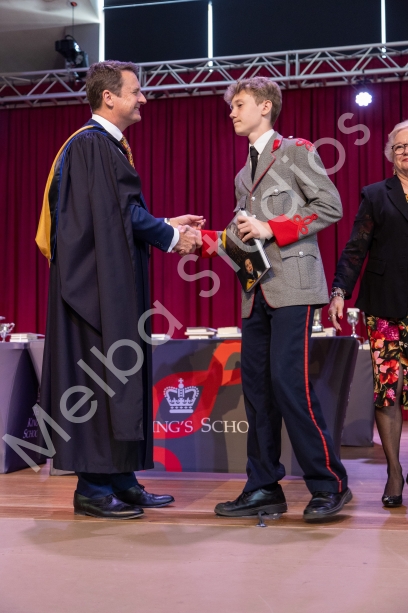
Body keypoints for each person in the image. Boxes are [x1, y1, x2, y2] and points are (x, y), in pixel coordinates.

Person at [35, 60, 202, 520]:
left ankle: (122, 480)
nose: (143, 98)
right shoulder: (91, 145)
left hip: (110, 286)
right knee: (99, 380)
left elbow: (116, 214)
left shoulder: (106, 147)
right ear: (108, 97)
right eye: (135, 91)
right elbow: (116, 218)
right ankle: (92, 488)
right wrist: (170, 236)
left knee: (118, 380)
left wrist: (163, 223)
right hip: (93, 294)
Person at [199, 76, 352, 521]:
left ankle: (328, 483)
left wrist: (272, 227)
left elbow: (330, 206)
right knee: (257, 390)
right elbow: (243, 239)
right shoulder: (242, 175)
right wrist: (200, 241)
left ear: (265, 106)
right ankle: (263, 486)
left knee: (289, 382)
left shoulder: (296, 151)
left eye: (239, 104)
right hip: (256, 293)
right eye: (232, 106)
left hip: (294, 288)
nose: (232, 112)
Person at [329, 119, 408, 508]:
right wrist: (339, 291)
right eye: (400, 147)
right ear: (390, 154)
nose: (406, 152)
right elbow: (355, 247)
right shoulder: (376, 194)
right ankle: (394, 472)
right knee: (388, 390)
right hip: (386, 307)